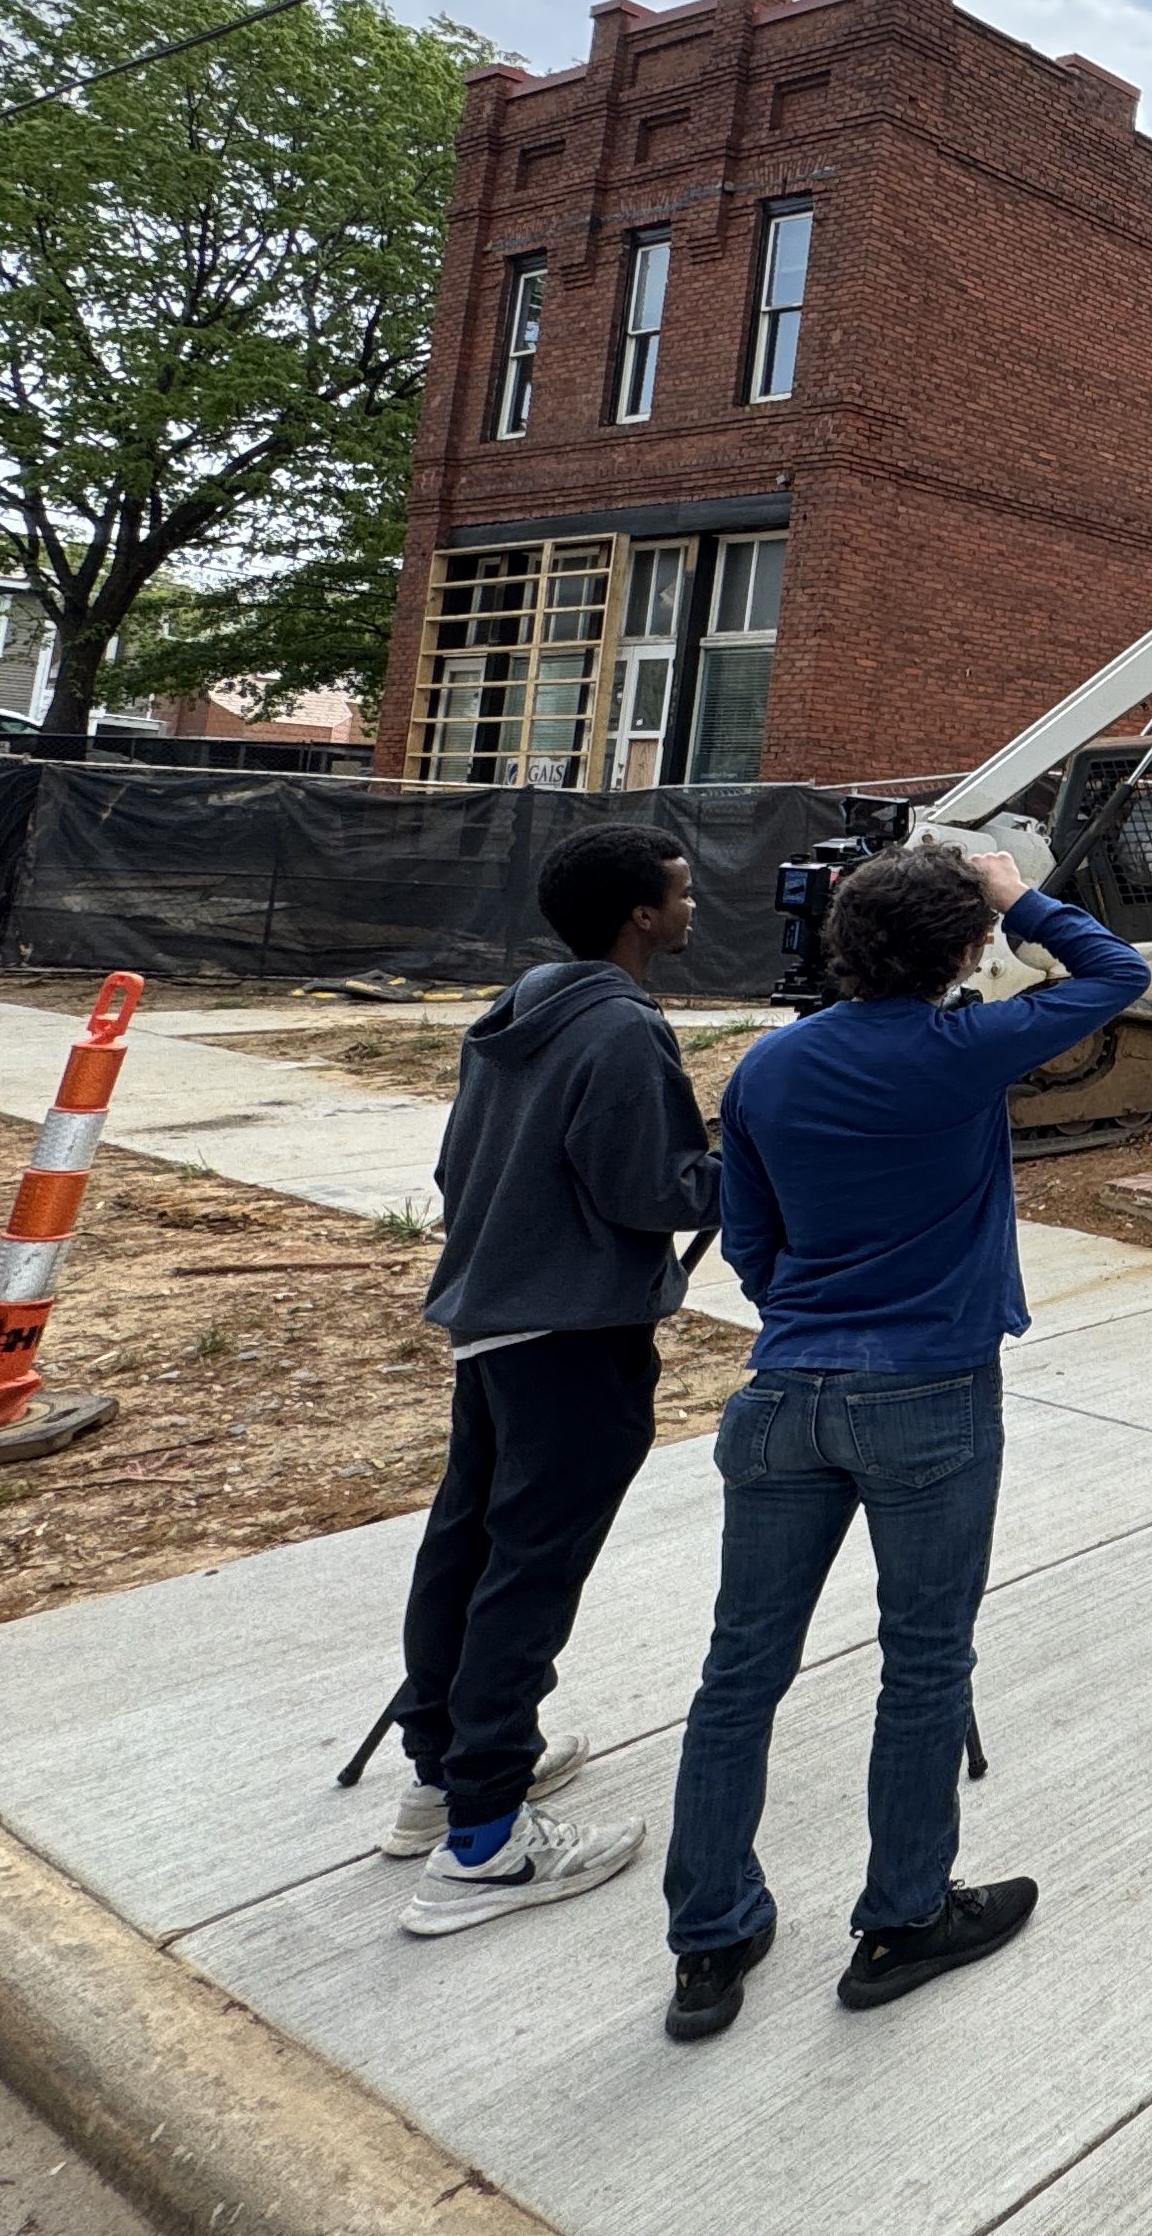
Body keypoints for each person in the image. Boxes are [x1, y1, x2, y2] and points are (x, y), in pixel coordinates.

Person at [657, 844, 1145, 2046]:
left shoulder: (769, 1068)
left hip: (782, 1398)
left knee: (739, 1672)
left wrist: (814, 1323)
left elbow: (751, 1243)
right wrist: (1013, 891)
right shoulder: (964, 1052)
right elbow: (1113, 972)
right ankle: (901, 1919)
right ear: (963, 949)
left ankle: (709, 1940)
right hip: (929, 1391)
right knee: (924, 1663)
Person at [384, 824, 720, 1936]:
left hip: (491, 1319)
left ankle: (442, 1776)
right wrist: (743, 1163)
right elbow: (650, 1192)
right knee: (529, 1569)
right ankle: (485, 1840)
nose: (689, 907)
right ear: (639, 916)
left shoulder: (524, 1006)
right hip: (573, 1335)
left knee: (468, 1542)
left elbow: (454, 1166)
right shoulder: (623, 1033)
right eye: (677, 893)